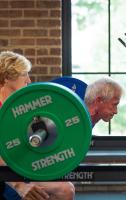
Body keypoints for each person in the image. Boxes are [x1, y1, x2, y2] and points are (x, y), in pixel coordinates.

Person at [0, 51, 75, 200]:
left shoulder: (18, 106)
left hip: (18, 165)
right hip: (5, 172)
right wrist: (20, 186)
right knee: (63, 190)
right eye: (24, 74)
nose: (29, 79)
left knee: (67, 188)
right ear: (8, 77)